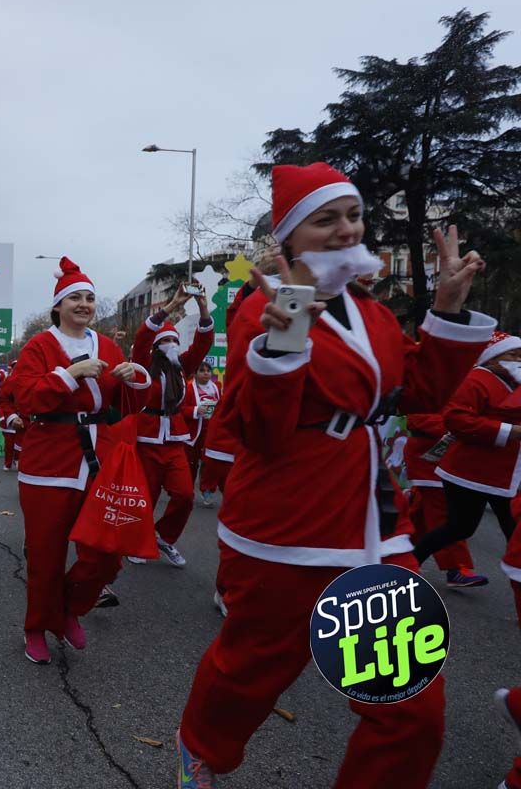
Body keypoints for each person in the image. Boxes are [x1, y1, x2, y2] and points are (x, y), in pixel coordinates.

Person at [175, 162, 493, 789]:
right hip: (288, 527)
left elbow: (419, 394)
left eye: (353, 215)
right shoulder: (263, 308)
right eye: (326, 219)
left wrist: (447, 310)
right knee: (250, 672)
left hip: (376, 525)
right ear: (289, 238)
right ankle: (201, 748)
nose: (347, 230)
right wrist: (289, 332)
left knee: (411, 714)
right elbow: (261, 434)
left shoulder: (370, 311)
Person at [11, 256, 151, 664]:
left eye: (89, 298)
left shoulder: (107, 345)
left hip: (99, 460)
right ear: (57, 306)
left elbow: (127, 405)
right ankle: (36, 626)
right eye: (75, 298)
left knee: (107, 550)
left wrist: (134, 378)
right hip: (48, 463)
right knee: (46, 555)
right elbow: (26, 398)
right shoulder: (40, 346)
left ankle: (69, 608)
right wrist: (71, 374)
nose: (84, 304)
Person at [412, 330, 521, 566]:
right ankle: (408, 563)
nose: (519, 360)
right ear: (493, 358)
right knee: (459, 528)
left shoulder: (515, 382)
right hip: (469, 472)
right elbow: (457, 419)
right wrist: (509, 431)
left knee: (514, 531)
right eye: (513, 355)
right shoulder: (476, 380)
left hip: (505, 474)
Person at [129, 286, 215, 568]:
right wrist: (170, 306)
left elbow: (203, 344)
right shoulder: (143, 364)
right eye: (166, 340)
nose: (172, 344)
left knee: (184, 495)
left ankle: (163, 537)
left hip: (175, 440)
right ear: (156, 346)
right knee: (147, 496)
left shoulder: (181, 367)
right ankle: (138, 541)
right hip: (148, 439)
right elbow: (142, 339)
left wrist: (203, 308)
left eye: (174, 340)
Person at [402, 411, 484, 587]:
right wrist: (464, 426)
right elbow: (418, 417)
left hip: (446, 454)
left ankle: (397, 552)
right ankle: (456, 568)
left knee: (421, 514)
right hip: (428, 454)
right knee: (445, 515)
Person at [183, 359, 221, 507]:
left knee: (209, 463)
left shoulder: (216, 387)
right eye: (202, 371)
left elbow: (221, 406)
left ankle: (207, 490)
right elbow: (180, 409)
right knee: (190, 464)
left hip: (210, 432)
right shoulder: (188, 388)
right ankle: (187, 491)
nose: (206, 374)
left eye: (208, 371)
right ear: (195, 373)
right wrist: (195, 410)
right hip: (193, 433)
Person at [0, 362, 25, 472]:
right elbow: (1, 401)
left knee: (20, 442)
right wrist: (3, 417)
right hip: (8, 419)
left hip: (23, 418)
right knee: (9, 444)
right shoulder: (7, 382)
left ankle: (17, 460)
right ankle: (8, 463)